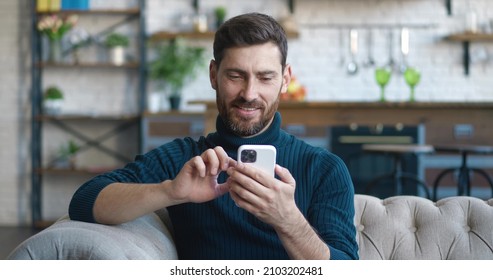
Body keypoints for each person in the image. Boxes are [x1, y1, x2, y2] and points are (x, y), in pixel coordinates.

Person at [69, 12, 359, 260]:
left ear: (285, 79)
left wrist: (288, 221)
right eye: (235, 76)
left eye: (265, 77)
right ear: (213, 75)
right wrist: (170, 191)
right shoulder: (185, 160)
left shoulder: (324, 169)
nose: (249, 93)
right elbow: (84, 202)